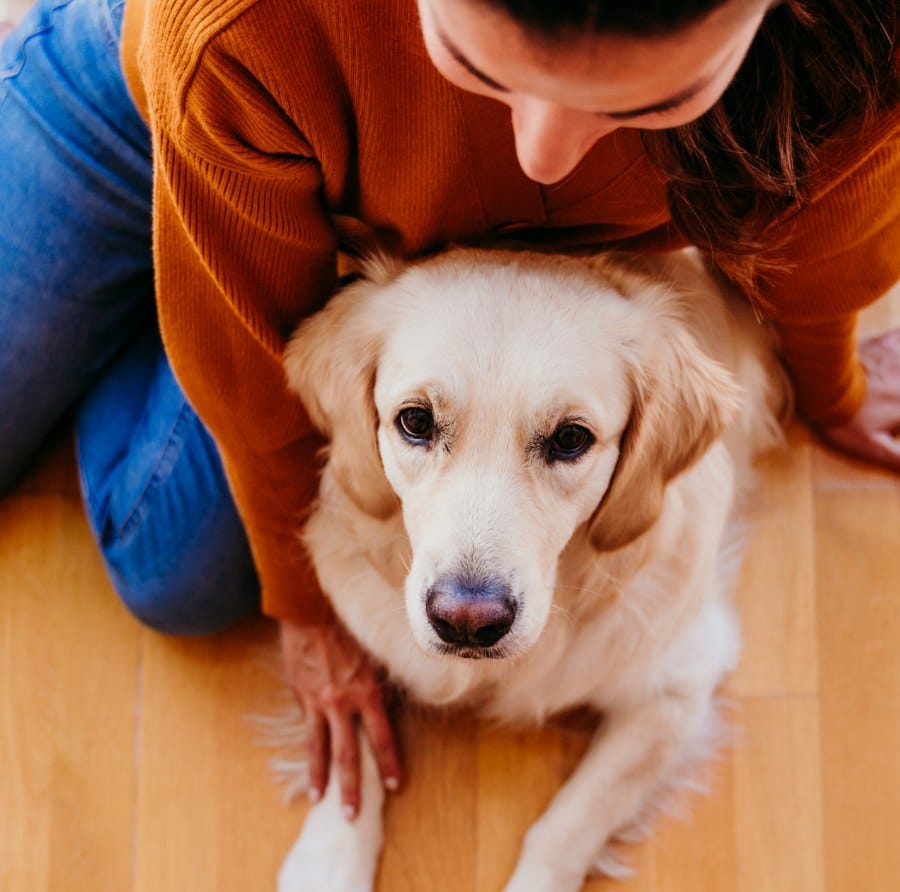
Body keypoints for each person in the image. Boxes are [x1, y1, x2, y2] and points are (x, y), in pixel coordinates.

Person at [1, 0, 898, 818]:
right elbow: (236, 357)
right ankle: (160, 230)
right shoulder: (241, 19)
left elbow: (822, 250)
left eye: (654, 100)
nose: (542, 152)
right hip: (166, 108)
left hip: (349, 273)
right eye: (482, 66)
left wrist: (830, 388)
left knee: (170, 572)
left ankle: (174, 277)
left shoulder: (857, 45)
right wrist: (306, 606)